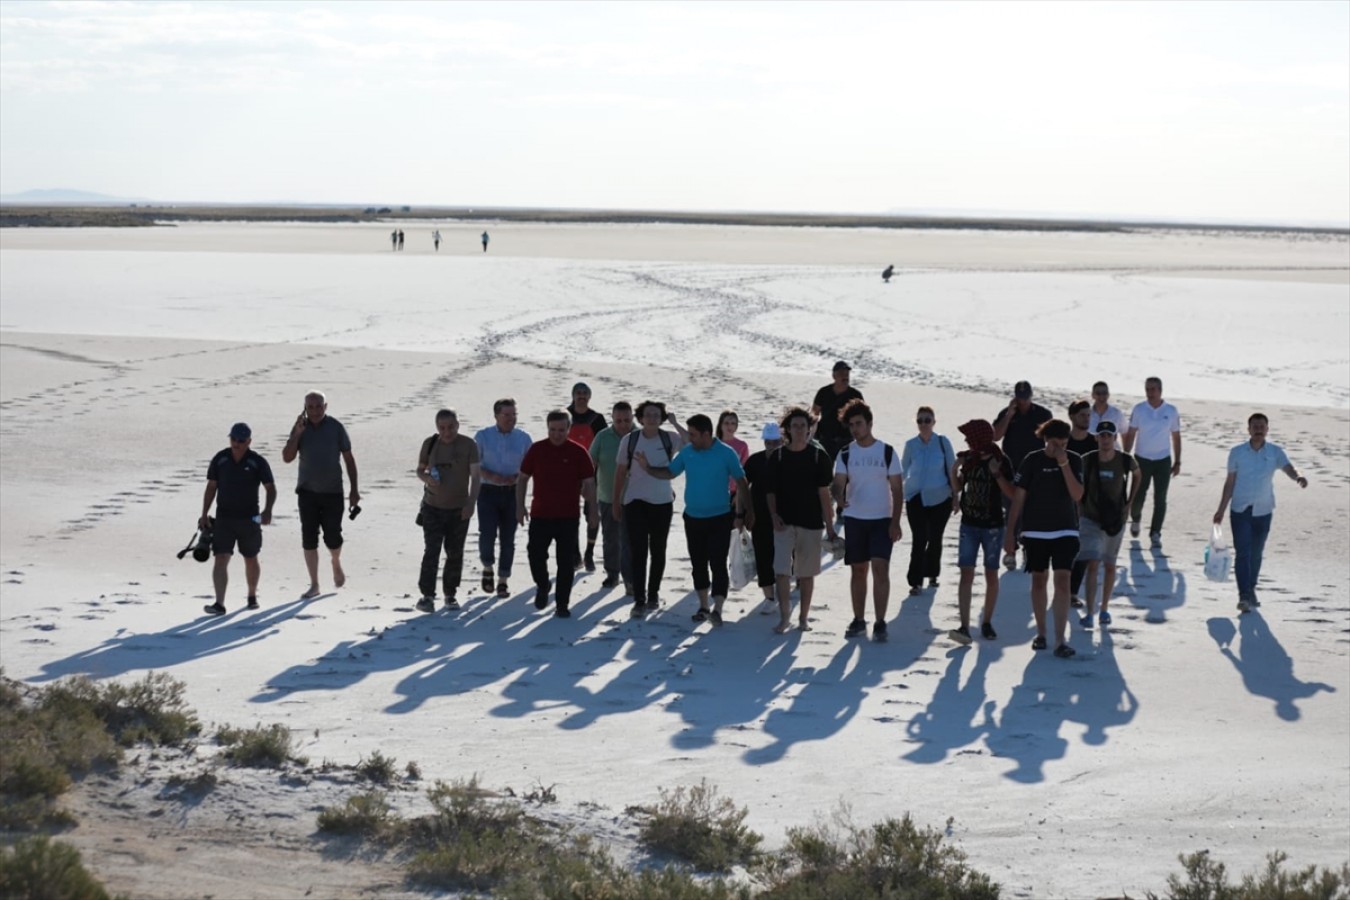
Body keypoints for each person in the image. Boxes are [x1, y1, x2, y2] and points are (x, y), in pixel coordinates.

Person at [635, 414, 751, 627]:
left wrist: (745, 513)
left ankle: (718, 608)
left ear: (707, 434)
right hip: (693, 517)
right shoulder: (688, 452)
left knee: (717, 562)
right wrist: (648, 468)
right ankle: (703, 606)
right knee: (698, 563)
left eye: (694, 435)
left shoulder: (726, 453)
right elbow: (670, 472)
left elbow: (742, 482)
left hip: (720, 516)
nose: (690, 438)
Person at [1004, 419, 1084, 659]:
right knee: (1038, 581)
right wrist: (1010, 533)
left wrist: (1064, 464)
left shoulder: (1074, 460)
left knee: (1063, 582)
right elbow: (1018, 499)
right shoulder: (1032, 460)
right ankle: (1041, 633)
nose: (1058, 447)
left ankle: (1060, 641)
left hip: (1066, 530)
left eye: (1063, 443)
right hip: (1035, 530)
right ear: (1045, 439)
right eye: (1053, 443)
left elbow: (1077, 494)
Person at [1212, 413, 1307, 613]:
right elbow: (1229, 483)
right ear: (1248, 429)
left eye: (1261, 426)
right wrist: (1220, 509)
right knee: (1243, 553)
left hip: (1264, 510)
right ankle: (1244, 596)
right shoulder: (1237, 452)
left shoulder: (1274, 452)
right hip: (1240, 510)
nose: (1258, 429)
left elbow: (1288, 467)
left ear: (1267, 429)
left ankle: (1251, 588)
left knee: (1256, 554)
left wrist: (1298, 477)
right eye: (1254, 426)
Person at [832, 400, 903, 642]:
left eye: (859, 424)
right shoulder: (845, 453)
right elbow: (838, 483)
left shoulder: (887, 451)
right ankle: (859, 619)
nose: (855, 429)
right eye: (851, 425)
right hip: (854, 519)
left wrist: (896, 522)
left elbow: (897, 489)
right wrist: (838, 497)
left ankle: (881, 622)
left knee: (880, 569)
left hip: (882, 519)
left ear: (869, 424)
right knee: (858, 570)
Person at [516, 410, 599, 618]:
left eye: (561, 430)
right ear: (547, 428)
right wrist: (519, 506)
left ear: (568, 429)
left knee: (566, 562)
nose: (557, 434)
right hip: (540, 515)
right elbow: (523, 478)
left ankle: (562, 604)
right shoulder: (537, 449)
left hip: (568, 517)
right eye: (553, 429)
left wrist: (593, 509)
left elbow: (590, 483)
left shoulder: (579, 452)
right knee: (535, 555)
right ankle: (543, 585)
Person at [766, 407, 838, 634]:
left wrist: (830, 526)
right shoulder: (777, 456)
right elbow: (770, 491)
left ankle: (803, 618)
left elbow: (824, 493)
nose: (799, 430)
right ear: (787, 429)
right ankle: (784, 616)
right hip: (784, 522)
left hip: (811, 523)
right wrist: (773, 515)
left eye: (803, 426)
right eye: (794, 426)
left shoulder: (818, 456)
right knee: (781, 571)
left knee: (806, 573)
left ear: (809, 430)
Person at [613, 400, 688, 616]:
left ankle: (653, 594)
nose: (653, 418)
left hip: (662, 502)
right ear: (641, 418)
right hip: (634, 501)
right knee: (638, 551)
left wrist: (674, 423)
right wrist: (617, 501)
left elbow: (689, 443)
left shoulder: (669, 438)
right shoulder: (631, 439)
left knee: (658, 550)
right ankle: (639, 599)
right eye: (648, 414)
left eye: (657, 415)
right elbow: (619, 472)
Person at [282, 391, 359, 599]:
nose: (314, 411)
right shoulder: (300, 428)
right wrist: (297, 434)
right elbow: (287, 458)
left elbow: (349, 459)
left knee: (333, 537)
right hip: (306, 492)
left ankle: (335, 561)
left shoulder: (336, 428)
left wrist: (354, 490)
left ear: (326, 406)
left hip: (333, 491)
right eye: (310, 407)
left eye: (318, 406)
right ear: (304, 408)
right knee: (309, 538)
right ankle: (314, 584)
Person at [949, 420, 1015, 644]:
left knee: (991, 573)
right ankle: (965, 625)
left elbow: (1012, 493)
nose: (967, 440)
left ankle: (986, 622)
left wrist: (997, 474)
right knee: (966, 572)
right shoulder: (969, 459)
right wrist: (953, 470)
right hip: (969, 523)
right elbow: (958, 488)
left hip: (993, 526)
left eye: (970, 437)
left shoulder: (1000, 460)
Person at [200, 423, 276, 616]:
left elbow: (270, 488)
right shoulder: (221, 459)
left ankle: (251, 596)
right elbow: (211, 487)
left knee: (250, 557)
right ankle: (219, 603)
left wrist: (268, 510)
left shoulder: (257, 462)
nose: (236, 443)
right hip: (224, 518)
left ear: (249, 441)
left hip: (250, 519)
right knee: (221, 558)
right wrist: (204, 513)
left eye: (241, 440)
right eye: (233, 439)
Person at [414, 409, 481, 613]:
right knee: (431, 551)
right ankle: (427, 595)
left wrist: (471, 503)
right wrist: (426, 478)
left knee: (454, 552)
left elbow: (476, 477)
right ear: (437, 427)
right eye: (442, 427)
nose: (447, 431)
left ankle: (450, 594)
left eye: (451, 427)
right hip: (432, 507)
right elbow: (419, 469)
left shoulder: (469, 445)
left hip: (458, 509)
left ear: (457, 425)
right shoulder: (430, 443)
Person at [1076, 420, 1139, 628]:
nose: (1105, 439)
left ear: (1114, 438)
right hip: (1090, 518)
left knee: (1110, 565)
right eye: (1101, 435)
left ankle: (1104, 609)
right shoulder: (1087, 459)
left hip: (1115, 519)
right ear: (1097, 438)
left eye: (1109, 436)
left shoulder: (1125, 460)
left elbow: (1138, 474)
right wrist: (1079, 505)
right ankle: (1090, 612)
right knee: (1092, 563)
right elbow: (1075, 481)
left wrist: (1129, 502)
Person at [474, 398, 533, 598]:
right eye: (506, 415)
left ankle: (503, 580)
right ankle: (488, 567)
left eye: (514, 414)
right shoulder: (483, 436)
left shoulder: (524, 438)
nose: (511, 419)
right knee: (487, 534)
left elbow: (530, 467)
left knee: (508, 539)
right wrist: (493, 476)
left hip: (513, 492)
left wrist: (518, 479)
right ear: (496, 416)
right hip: (488, 491)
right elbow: (473, 466)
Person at [992, 380, 1052, 569]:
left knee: (1032, 510)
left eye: (1026, 398)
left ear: (1031, 396)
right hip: (1010, 468)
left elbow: (1050, 440)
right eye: (1020, 398)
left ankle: (1028, 548)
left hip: (1035, 469)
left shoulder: (1043, 414)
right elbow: (995, 436)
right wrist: (1009, 415)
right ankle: (1010, 551)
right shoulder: (1007, 412)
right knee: (1010, 510)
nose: (1023, 402)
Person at [901, 406, 958, 596]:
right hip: (915, 497)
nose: (923, 424)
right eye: (920, 420)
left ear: (934, 422)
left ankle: (932, 573)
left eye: (927, 420)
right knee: (919, 539)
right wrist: (893, 493)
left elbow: (952, 469)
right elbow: (902, 471)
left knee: (935, 537)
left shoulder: (942, 442)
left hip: (941, 497)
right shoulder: (911, 445)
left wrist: (956, 497)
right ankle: (915, 582)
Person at [1123, 376, 1182, 548]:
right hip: (1142, 458)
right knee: (1138, 496)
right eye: (1147, 389)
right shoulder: (1140, 409)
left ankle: (1155, 532)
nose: (1150, 393)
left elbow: (1176, 437)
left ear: (1160, 390)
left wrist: (1177, 461)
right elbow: (1132, 433)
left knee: (1160, 498)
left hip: (1162, 459)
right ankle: (1136, 519)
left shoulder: (1171, 410)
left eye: (1153, 389)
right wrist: (1125, 456)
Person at [589, 401, 636, 592]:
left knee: (632, 540)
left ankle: (631, 579)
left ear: (633, 418)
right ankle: (612, 574)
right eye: (618, 421)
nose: (623, 424)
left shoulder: (641, 436)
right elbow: (590, 462)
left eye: (626, 420)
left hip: (636, 498)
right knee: (610, 538)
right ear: (612, 419)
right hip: (607, 496)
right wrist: (585, 487)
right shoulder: (602, 437)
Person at [742, 423, 785, 613]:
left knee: (784, 556)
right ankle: (769, 596)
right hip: (759, 516)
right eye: (768, 442)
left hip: (786, 516)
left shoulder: (789, 460)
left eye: (776, 442)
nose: (772, 445)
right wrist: (742, 514)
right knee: (763, 556)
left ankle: (787, 589)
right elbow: (742, 487)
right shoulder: (754, 461)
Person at [566, 382, 607, 572]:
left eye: (585, 393)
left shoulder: (597, 418)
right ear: (573, 395)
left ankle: (589, 553)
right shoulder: (564, 415)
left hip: (593, 471)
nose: (581, 396)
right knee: (569, 514)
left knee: (592, 514)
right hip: (568, 472)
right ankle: (574, 553)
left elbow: (604, 444)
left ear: (589, 396)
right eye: (578, 393)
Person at [1065, 399, 1097, 604]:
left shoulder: (1094, 442)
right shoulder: (1064, 441)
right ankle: (1063, 586)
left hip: (1088, 501)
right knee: (1066, 546)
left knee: (1083, 546)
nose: (1086, 418)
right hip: (1063, 500)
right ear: (1072, 417)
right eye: (1082, 415)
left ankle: (1072, 592)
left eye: (1088, 415)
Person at [811, 361, 864, 460]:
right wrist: (810, 436)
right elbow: (814, 414)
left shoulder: (855, 395)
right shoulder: (823, 392)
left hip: (847, 439)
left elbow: (863, 417)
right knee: (825, 470)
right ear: (834, 375)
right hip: (826, 439)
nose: (845, 377)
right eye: (841, 374)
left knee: (848, 471)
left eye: (847, 374)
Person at [716, 409, 750, 507]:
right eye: (726, 423)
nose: (729, 426)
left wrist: (739, 494)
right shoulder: (713, 444)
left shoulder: (742, 446)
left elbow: (744, 472)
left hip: (734, 492)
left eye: (733, 423)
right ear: (720, 425)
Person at [1088, 381, 1127, 446]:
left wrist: (1126, 453)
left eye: (1104, 393)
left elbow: (1125, 433)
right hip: (1091, 453)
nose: (1101, 396)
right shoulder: (1087, 414)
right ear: (1093, 395)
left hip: (1113, 453)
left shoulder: (1116, 413)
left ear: (1108, 394)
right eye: (1098, 393)